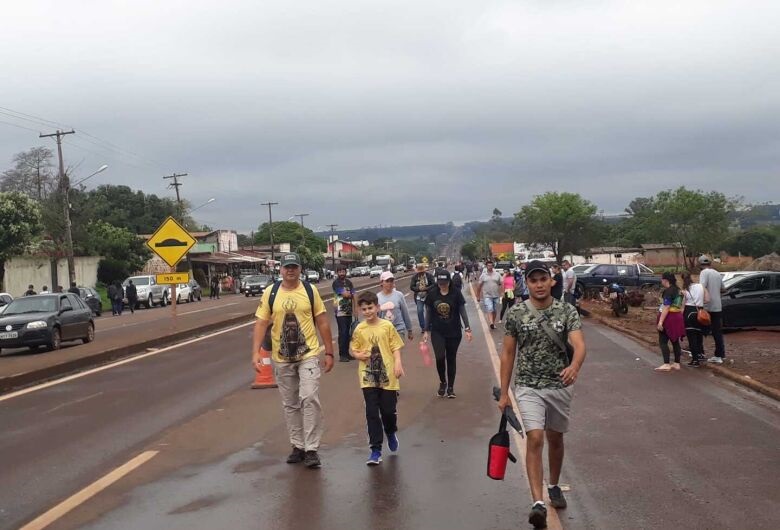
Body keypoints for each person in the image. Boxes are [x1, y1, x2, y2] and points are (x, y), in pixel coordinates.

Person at [498, 261, 586, 529]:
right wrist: (504, 393)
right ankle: (537, 503)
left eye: (542, 279)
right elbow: (508, 353)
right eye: (533, 280)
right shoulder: (515, 314)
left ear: (551, 281)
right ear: (527, 283)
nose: (538, 284)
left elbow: (579, 345)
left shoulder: (566, 310)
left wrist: (574, 366)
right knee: (535, 437)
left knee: (555, 438)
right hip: (528, 386)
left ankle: (554, 485)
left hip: (559, 385)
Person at [252, 252, 334, 469]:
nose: (290, 270)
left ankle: (312, 448)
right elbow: (261, 323)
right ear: (280, 269)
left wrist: (329, 352)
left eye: (294, 267)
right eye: (287, 267)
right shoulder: (271, 292)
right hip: (281, 357)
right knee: (290, 404)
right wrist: (255, 352)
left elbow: (323, 322)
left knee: (309, 398)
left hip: (307, 354)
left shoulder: (309, 290)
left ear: (300, 269)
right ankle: (297, 446)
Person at [350, 290, 405, 466]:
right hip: (368, 378)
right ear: (360, 310)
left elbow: (396, 346)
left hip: (388, 376)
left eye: (370, 307)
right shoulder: (359, 329)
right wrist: (358, 356)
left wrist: (398, 364)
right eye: (364, 309)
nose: (368, 311)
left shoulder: (387, 326)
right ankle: (375, 450)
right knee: (372, 413)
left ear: (378, 307)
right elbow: (354, 349)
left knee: (388, 412)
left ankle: (390, 431)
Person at [422, 269, 472, 398]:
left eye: (444, 283)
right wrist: (426, 330)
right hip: (438, 331)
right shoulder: (432, 293)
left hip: (454, 331)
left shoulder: (456, 293)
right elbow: (428, 312)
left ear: (449, 281)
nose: (442, 285)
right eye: (440, 283)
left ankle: (450, 387)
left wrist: (467, 328)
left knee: (451, 358)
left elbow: (462, 311)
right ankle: (442, 382)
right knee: (439, 357)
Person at [655, 272, 685, 372]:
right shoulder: (678, 290)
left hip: (669, 318)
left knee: (663, 341)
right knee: (675, 340)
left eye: (662, 279)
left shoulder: (668, 291)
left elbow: (666, 307)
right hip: (678, 316)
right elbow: (682, 304)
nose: (661, 281)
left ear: (666, 280)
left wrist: (660, 322)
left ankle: (666, 363)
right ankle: (676, 363)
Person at [698, 255, 726, 364]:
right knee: (717, 332)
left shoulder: (704, 273)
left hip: (707, 307)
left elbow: (702, 288)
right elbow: (723, 289)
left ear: (700, 265)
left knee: (698, 330)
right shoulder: (717, 273)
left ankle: (700, 352)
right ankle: (720, 355)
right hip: (717, 306)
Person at [377, 271, 413, 342]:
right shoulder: (377, 297)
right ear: (381, 283)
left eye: (391, 281)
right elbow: (376, 316)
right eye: (387, 281)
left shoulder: (399, 295)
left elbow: (405, 312)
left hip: (398, 329)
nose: (390, 283)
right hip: (384, 331)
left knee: (397, 352)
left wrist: (409, 329)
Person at [682, 271, 707, 367]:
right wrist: (700, 301)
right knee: (699, 334)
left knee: (691, 337)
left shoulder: (685, 290)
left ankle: (695, 359)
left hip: (689, 312)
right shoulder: (701, 286)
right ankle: (701, 354)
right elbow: (707, 299)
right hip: (700, 311)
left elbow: (683, 304)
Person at [332, 265, 357, 362]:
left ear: (346, 272)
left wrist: (355, 308)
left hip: (348, 311)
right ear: (337, 273)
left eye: (343, 271)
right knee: (343, 332)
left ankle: (347, 353)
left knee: (348, 333)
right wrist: (350, 295)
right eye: (340, 272)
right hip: (340, 311)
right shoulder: (336, 283)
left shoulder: (349, 282)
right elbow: (345, 294)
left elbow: (355, 294)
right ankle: (342, 355)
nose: (342, 273)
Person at [476, 260, 502, 329]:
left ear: (493, 266)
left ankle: (493, 323)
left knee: (494, 310)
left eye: (491, 265)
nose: (489, 267)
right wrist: (478, 296)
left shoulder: (497, 274)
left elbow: (501, 284)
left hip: (496, 295)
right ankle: (491, 323)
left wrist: (502, 294)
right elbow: (479, 286)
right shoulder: (483, 275)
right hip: (487, 295)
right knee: (489, 308)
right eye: (488, 266)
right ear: (486, 266)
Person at [410, 263, 435, 330]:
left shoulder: (429, 276)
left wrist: (426, 289)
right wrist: (418, 289)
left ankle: (429, 325)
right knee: (420, 311)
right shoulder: (414, 277)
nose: (420, 273)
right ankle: (423, 327)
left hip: (428, 296)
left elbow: (434, 284)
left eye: (422, 272)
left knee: (429, 311)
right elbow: (411, 287)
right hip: (419, 297)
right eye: (419, 272)